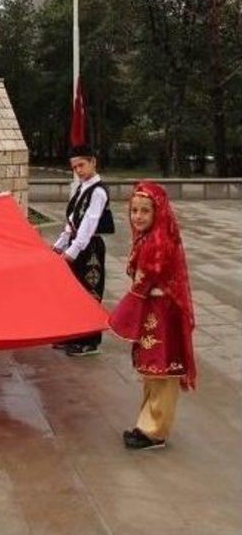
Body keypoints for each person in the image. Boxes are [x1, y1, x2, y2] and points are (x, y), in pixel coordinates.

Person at [109, 181, 196, 451]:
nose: (138, 216)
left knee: (162, 369)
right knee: (151, 369)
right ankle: (146, 423)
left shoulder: (160, 242)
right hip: (151, 310)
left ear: (158, 212)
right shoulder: (147, 237)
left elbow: (143, 281)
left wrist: (120, 316)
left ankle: (155, 431)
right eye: (134, 210)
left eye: (145, 211)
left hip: (162, 312)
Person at [52, 144, 114, 356]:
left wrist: (71, 252)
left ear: (93, 162)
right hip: (76, 244)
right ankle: (74, 334)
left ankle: (90, 341)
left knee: (90, 292)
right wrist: (59, 245)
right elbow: (72, 221)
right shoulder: (82, 188)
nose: (78, 170)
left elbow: (89, 223)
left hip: (91, 248)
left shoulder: (97, 191)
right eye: (75, 167)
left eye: (82, 165)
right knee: (74, 292)